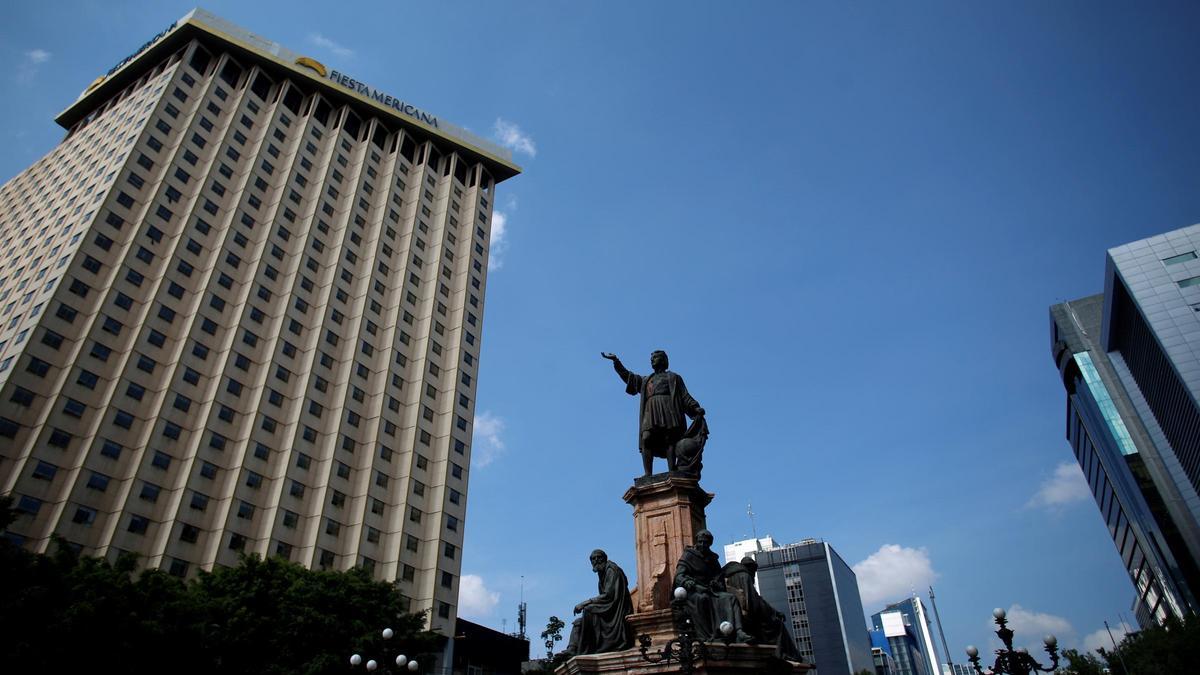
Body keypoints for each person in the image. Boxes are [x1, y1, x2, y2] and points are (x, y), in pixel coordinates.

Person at [601, 350, 705, 476]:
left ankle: (672, 470)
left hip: (668, 410)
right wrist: (617, 363)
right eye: (651, 358)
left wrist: (695, 407)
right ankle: (647, 474)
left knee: (670, 440)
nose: (652, 360)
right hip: (651, 411)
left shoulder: (673, 378)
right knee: (646, 438)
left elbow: (684, 396)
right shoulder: (646, 380)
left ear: (663, 360)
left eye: (655, 357)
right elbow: (630, 378)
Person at [673, 530, 750, 642]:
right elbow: (679, 576)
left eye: (705, 543)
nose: (702, 545)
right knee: (702, 599)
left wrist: (716, 583)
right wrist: (687, 583)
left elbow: (719, 578)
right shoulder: (688, 555)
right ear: (696, 542)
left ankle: (738, 631)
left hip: (711, 591)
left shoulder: (712, 559)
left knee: (731, 598)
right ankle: (707, 636)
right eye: (700, 542)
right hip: (693, 591)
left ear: (710, 544)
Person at [722, 556, 803, 661]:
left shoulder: (730, 573)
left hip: (738, 613)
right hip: (749, 615)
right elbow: (753, 601)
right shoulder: (745, 576)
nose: (754, 575)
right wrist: (773, 613)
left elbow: (757, 599)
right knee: (777, 625)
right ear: (750, 568)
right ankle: (782, 655)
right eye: (754, 571)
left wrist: (774, 611)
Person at [564, 550, 634, 656]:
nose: (596, 560)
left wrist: (585, 603)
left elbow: (608, 595)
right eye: (593, 558)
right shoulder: (602, 573)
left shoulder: (612, 570)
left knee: (588, 610)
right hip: (609, 609)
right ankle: (572, 648)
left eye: (598, 557)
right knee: (579, 622)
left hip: (617, 611)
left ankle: (587, 649)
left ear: (604, 558)